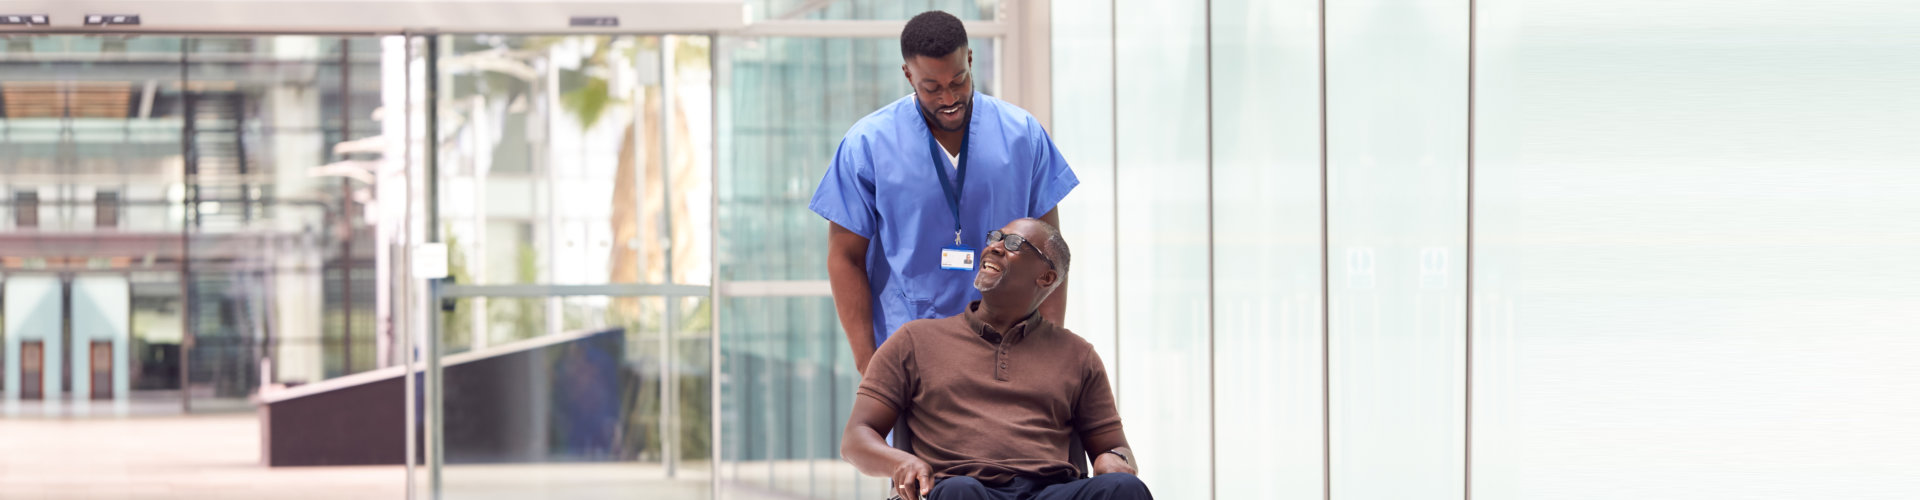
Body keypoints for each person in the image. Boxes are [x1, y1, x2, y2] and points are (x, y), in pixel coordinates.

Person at [811, 10, 1078, 377]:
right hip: (909, 358)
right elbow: (845, 258)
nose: (949, 97)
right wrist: (869, 366)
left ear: (970, 59)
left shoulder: (1022, 136)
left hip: (1008, 354)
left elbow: (1051, 255)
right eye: (931, 88)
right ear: (908, 75)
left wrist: (1048, 354)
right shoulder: (868, 145)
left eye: (959, 81)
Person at [841, 219, 1150, 500]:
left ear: (1046, 277)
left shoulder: (1078, 355)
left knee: (1126, 489)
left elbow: (1115, 447)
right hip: (959, 488)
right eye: (996, 237)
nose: (994, 246)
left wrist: (1115, 458)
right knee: (960, 492)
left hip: (1051, 491)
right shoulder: (914, 341)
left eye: (1013, 244)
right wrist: (901, 462)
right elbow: (856, 438)